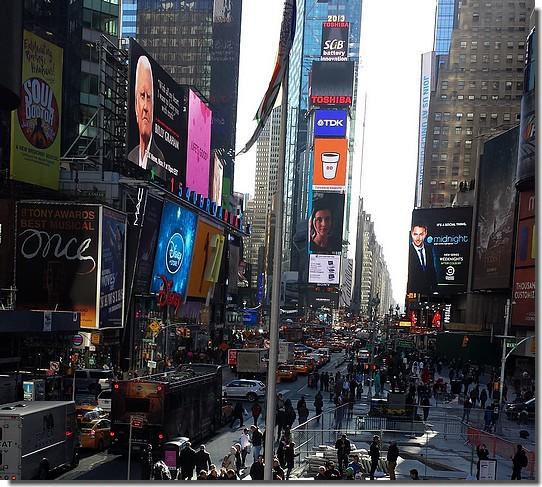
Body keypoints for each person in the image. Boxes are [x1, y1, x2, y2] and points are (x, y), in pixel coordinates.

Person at [127, 55, 166, 178]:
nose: (145, 107)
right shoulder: (131, 156)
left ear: (153, 107)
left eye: (148, 97)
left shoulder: (160, 159)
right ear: (135, 105)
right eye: (142, 96)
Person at [407, 222, 438, 294]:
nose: (417, 238)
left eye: (421, 234)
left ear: (425, 234)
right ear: (411, 234)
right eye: (415, 234)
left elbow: (432, 270)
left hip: (428, 292)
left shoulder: (429, 249)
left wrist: (435, 290)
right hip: (414, 292)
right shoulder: (408, 250)